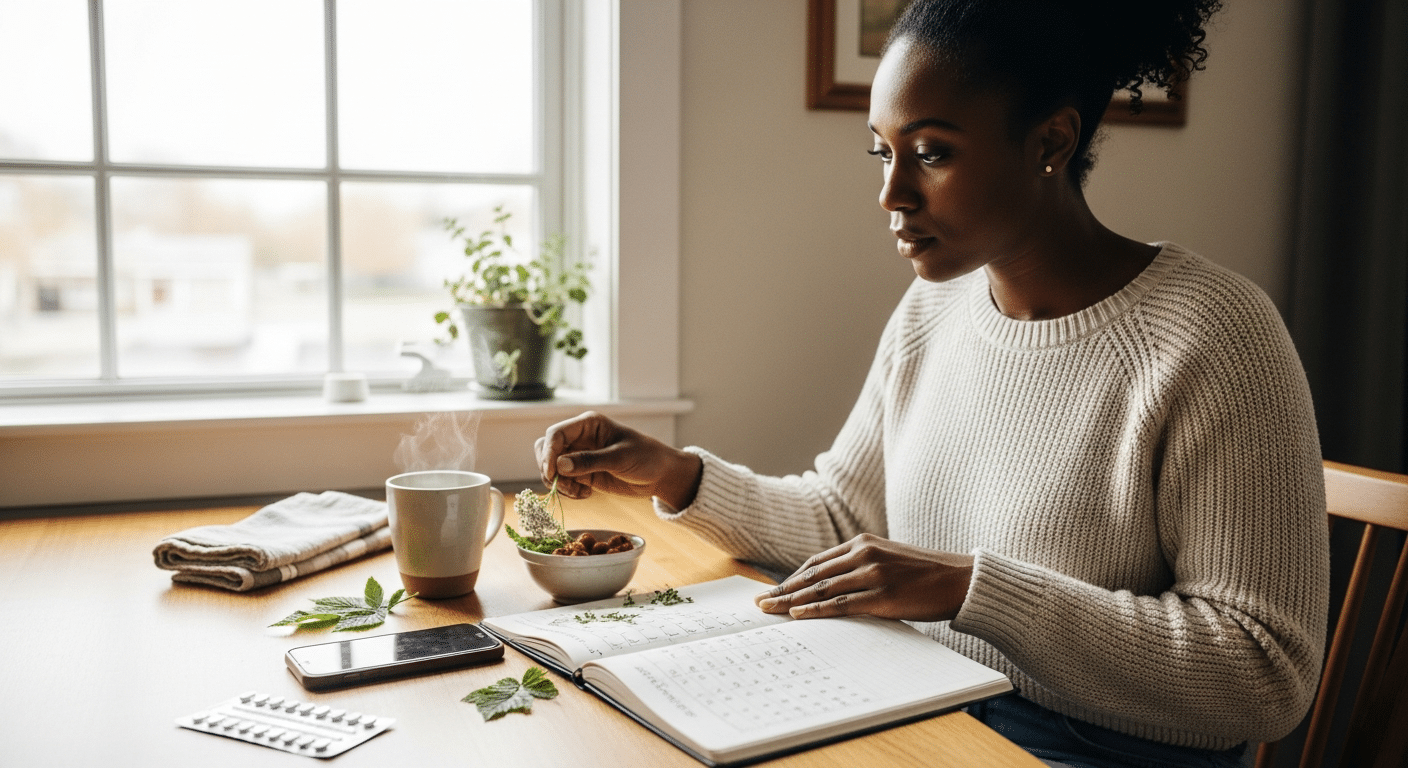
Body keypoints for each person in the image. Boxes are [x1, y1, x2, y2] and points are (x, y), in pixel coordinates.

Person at [535, 1, 1329, 766]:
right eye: (883, 152)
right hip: (925, 705)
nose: (892, 194)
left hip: (1098, 749)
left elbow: (1264, 675)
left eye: (933, 152)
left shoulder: (1214, 335)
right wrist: (679, 475)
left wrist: (971, 589)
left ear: (1051, 139)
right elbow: (846, 519)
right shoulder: (935, 307)